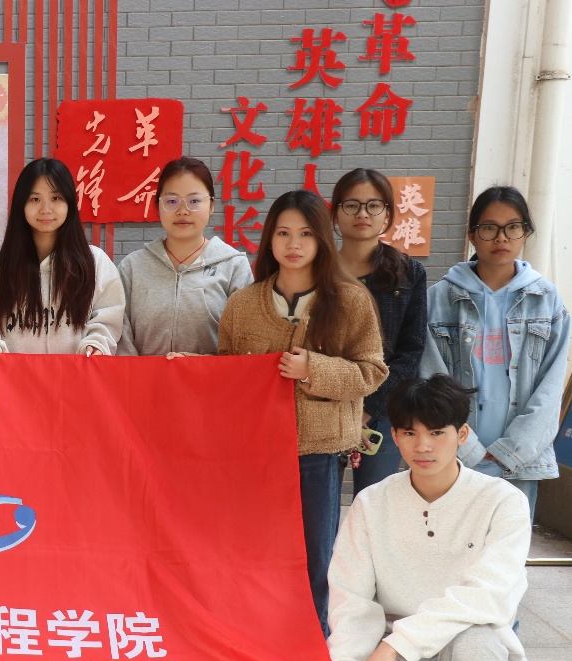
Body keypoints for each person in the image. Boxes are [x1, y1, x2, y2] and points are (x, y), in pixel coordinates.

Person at [328, 375, 529, 661]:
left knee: (481, 645)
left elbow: (487, 595)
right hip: (392, 645)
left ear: (462, 434)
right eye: (409, 432)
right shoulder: (372, 501)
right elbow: (351, 593)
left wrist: (394, 648)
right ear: (395, 436)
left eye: (437, 432)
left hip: (455, 648)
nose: (422, 445)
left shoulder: (502, 501)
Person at [218, 190, 387, 635]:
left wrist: (314, 368)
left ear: (323, 239)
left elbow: (372, 372)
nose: (293, 244)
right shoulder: (242, 304)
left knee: (316, 554)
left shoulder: (350, 301)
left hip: (319, 450)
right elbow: (226, 373)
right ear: (269, 240)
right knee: (254, 549)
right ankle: (256, 636)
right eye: (283, 233)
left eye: (306, 234)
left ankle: (314, 639)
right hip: (255, 452)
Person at [419, 186, 569, 521]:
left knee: (507, 549)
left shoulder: (546, 300)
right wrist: (469, 448)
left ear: (525, 233)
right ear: (472, 234)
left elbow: (550, 386)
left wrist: (510, 451)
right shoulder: (439, 298)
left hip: (520, 460)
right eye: (489, 227)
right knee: (449, 545)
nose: (501, 238)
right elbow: (431, 380)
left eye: (512, 227)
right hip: (453, 456)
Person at [332, 168, 427, 494]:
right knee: (318, 503)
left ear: (387, 213)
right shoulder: (318, 271)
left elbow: (412, 350)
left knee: (375, 503)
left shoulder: (409, 273)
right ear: (336, 212)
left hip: (383, 411)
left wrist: (368, 409)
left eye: (373, 205)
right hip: (324, 407)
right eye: (351, 205)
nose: (362, 214)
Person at [0, 158, 124, 355]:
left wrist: (97, 343)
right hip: (14, 373)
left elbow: (109, 315)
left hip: (77, 371)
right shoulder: (0, 263)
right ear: (21, 205)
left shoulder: (95, 262)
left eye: (56, 198)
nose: (46, 209)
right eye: (35, 199)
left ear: (70, 203)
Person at [117, 156, 253, 356]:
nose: (182, 211)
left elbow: (244, 343)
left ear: (211, 206)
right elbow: (121, 337)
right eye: (171, 201)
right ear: (157, 206)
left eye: (194, 201)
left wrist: (199, 365)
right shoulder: (133, 267)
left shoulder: (234, 266)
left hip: (212, 377)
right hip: (143, 376)